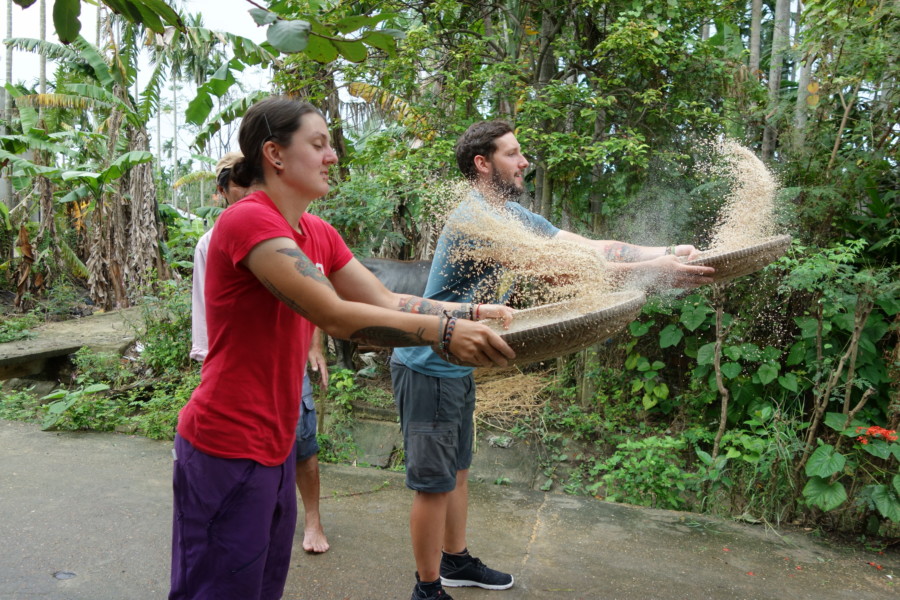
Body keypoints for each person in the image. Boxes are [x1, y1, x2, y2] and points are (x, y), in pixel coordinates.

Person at [169, 97, 517, 600]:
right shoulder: (247, 221)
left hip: (275, 443)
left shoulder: (316, 232)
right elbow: (333, 315)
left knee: (260, 586)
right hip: (225, 442)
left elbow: (384, 298)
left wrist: (467, 313)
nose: (332, 156)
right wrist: (442, 334)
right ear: (275, 154)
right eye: (318, 144)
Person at [390, 120, 715, 600]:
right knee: (433, 484)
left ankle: (455, 560)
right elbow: (561, 270)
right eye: (513, 154)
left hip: (459, 363)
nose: (524, 163)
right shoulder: (472, 220)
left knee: (457, 470)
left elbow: (587, 249)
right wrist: (653, 272)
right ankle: (427, 588)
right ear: (483, 164)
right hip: (427, 363)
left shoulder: (510, 216)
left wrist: (668, 252)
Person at [189, 151, 331, 555]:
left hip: (288, 364)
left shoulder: (299, 234)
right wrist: (206, 360)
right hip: (238, 370)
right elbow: (208, 306)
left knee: (303, 445)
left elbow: (321, 296)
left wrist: (313, 343)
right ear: (222, 192)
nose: (250, 190)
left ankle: (312, 521)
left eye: (254, 179)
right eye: (239, 181)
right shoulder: (215, 239)